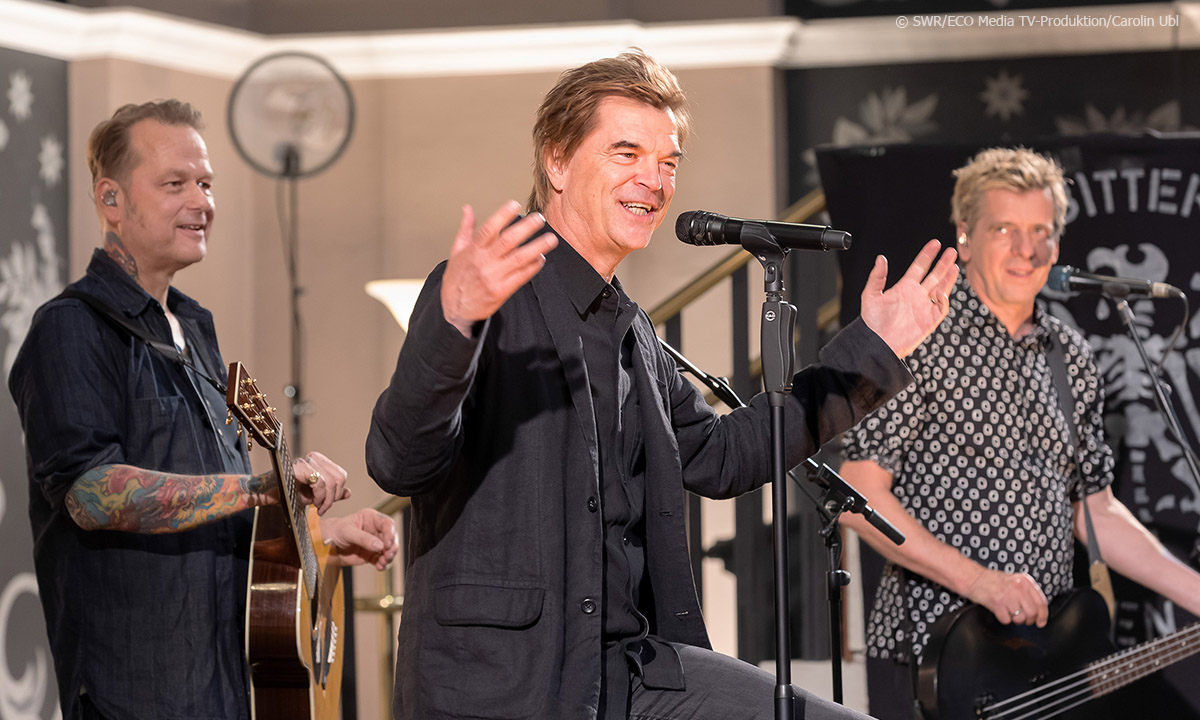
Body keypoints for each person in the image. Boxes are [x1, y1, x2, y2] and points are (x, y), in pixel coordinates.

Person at [365, 49, 958, 720]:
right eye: (627, 153)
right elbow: (398, 458)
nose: (655, 179)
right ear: (557, 162)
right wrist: (453, 319)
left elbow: (720, 454)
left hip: (629, 672)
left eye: (668, 162)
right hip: (507, 686)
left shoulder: (633, 332)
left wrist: (871, 354)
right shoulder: (480, 298)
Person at [8, 100, 399, 720]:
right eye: (175, 184)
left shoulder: (196, 330)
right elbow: (90, 493)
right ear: (111, 200)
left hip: (227, 690)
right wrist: (261, 487)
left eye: (207, 183)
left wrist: (316, 543)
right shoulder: (70, 331)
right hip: (136, 694)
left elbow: (215, 508)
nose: (202, 201)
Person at [839, 147, 1200, 719]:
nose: (1026, 248)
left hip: (1045, 656)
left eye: (1041, 231)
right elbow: (857, 498)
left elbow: (1095, 510)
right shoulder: (921, 336)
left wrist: (1195, 592)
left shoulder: (1070, 353)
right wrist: (982, 583)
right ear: (965, 235)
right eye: (1005, 228)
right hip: (939, 652)